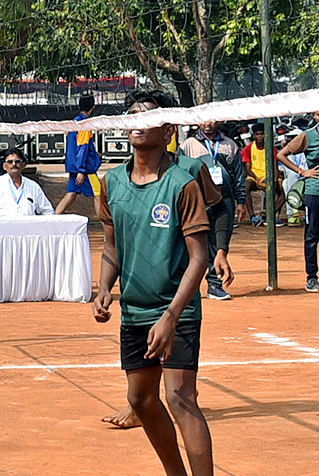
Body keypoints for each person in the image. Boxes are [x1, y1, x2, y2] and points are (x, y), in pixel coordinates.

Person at [93, 89, 214, 476]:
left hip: (175, 310)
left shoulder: (183, 182)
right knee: (141, 400)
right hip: (134, 310)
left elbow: (200, 257)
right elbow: (112, 245)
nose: (136, 120)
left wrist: (172, 316)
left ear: (168, 131)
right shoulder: (112, 182)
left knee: (180, 398)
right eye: (131, 114)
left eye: (147, 115)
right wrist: (103, 289)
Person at [181, 121, 244, 302]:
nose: (208, 124)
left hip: (224, 200)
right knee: (197, 242)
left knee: (220, 243)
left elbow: (238, 175)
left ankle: (215, 285)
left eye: (212, 119)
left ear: (219, 121)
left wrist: (241, 201)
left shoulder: (230, 145)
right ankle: (190, 287)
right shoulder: (188, 145)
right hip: (198, 200)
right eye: (204, 120)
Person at [273, 112, 319, 292]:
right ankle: (312, 277)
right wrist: (302, 171)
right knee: (313, 235)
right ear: (316, 116)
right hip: (315, 191)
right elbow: (281, 154)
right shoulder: (309, 136)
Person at [0, 148, 55, 217]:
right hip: (1, 232)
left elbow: (48, 211)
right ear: (4, 166)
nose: (14, 164)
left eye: (18, 161)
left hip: (27, 232)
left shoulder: (33, 186)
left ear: (24, 165)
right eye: (10, 162)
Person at [56, 94, 102, 217]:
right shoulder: (84, 125)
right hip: (85, 168)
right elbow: (82, 148)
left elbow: (74, 147)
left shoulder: (73, 123)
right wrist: (81, 170)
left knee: (71, 193)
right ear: (93, 107)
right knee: (98, 194)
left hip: (73, 166)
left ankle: (53, 218)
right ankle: (105, 226)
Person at [241, 122, 281, 224]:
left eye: (262, 134)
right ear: (254, 135)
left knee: (284, 188)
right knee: (246, 186)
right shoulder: (248, 149)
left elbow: (275, 167)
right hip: (254, 177)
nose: (260, 136)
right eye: (257, 134)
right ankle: (252, 216)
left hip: (269, 176)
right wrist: (257, 179)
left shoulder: (272, 148)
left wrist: (274, 180)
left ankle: (270, 214)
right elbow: (248, 168)